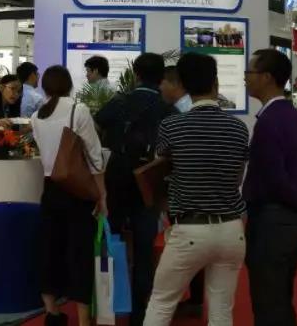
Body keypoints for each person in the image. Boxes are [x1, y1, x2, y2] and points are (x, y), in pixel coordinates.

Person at [144, 53, 249, 325]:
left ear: (183, 85)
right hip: (231, 229)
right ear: (216, 83)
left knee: (161, 303)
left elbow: (161, 168)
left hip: (189, 229)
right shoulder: (238, 128)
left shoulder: (172, 126)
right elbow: (237, 178)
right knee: (221, 311)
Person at [244, 49, 297, 326]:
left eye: (250, 72)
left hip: (273, 222)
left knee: (269, 301)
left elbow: (275, 179)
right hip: (290, 223)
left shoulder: (270, 121)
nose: (246, 78)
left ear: (266, 77)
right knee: (279, 297)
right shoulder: (293, 116)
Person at [94, 52, 175, 326]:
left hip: (116, 177)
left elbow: (96, 126)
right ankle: (139, 314)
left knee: (111, 241)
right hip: (148, 179)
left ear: (136, 74)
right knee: (144, 248)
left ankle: (108, 308)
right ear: (161, 77)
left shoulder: (119, 102)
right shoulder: (166, 108)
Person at [31, 65, 106, 326]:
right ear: (68, 85)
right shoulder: (78, 110)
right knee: (80, 253)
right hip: (77, 190)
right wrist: (102, 194)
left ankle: (52, 313)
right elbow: (94, 157)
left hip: (50, 189)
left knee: (50, 250)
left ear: (45, 87)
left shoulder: (36, 116)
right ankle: (83, 320)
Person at [158, 64, 202, 316]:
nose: (160, 88)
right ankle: (195, 299)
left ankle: (188, 301)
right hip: (194, 197)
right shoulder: (182, 109)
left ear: (175, 84)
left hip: (186, 198)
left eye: (163, 82)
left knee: (186, 251)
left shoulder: (181, 114)